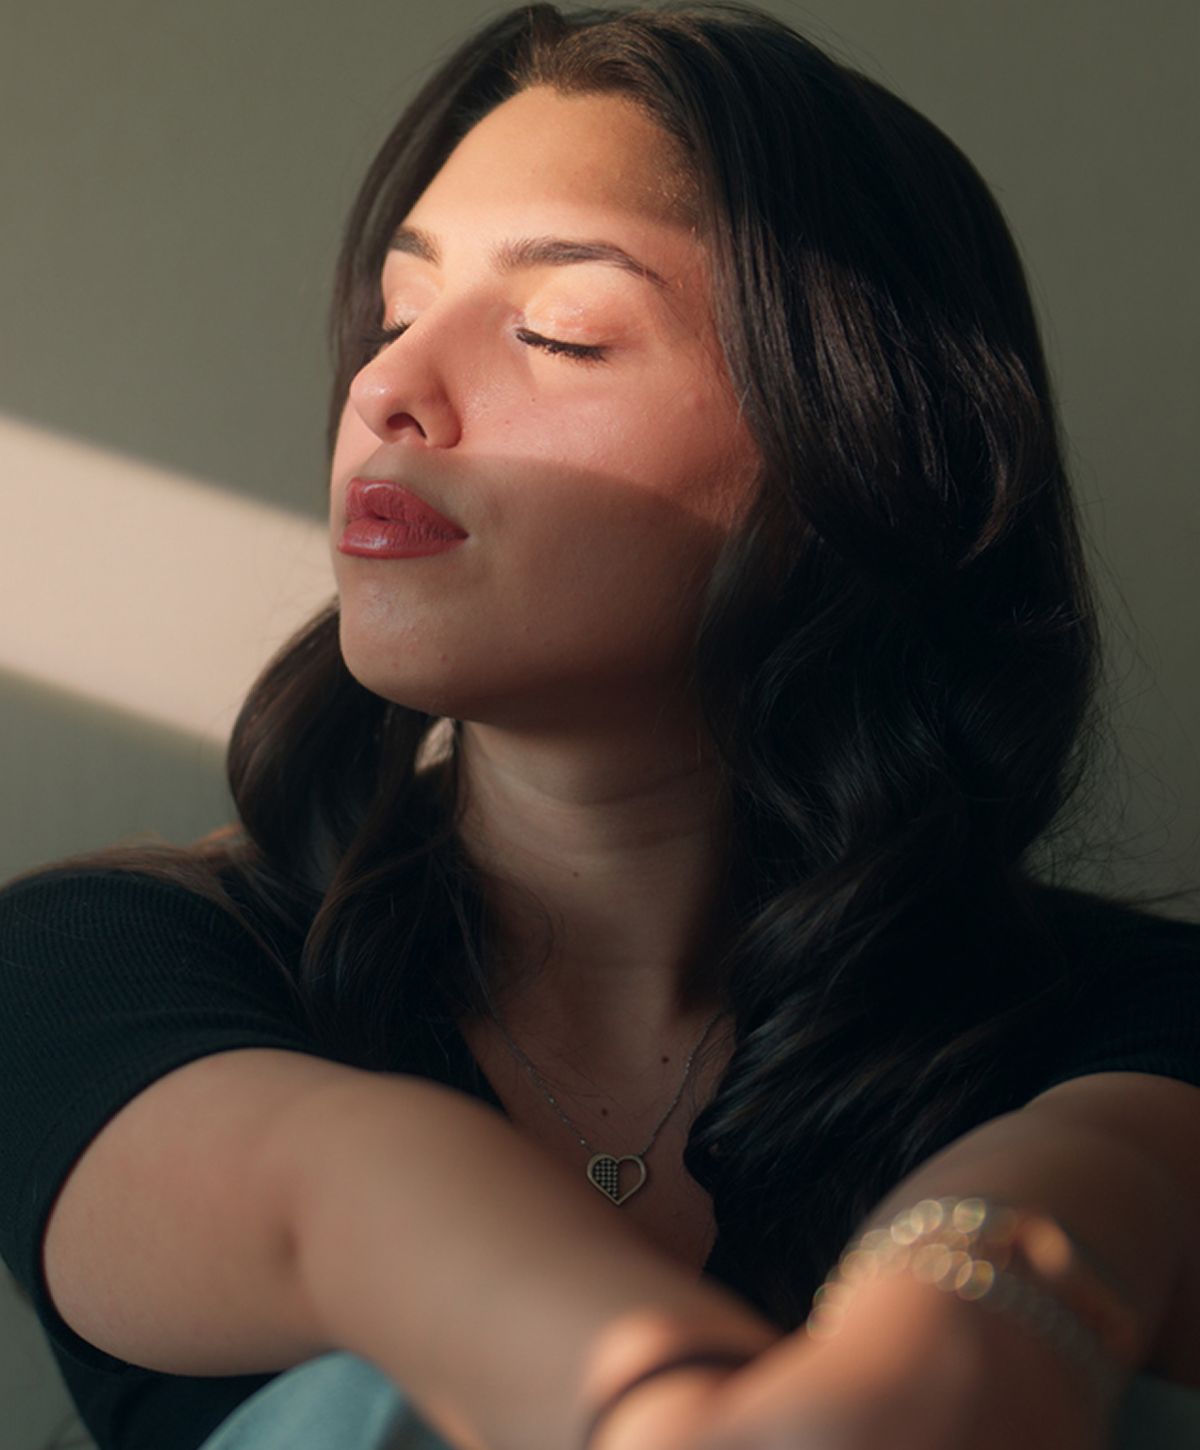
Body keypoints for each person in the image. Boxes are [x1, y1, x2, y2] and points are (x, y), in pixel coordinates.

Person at [1, 4, 1198, 1449]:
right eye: (393, 315)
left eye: (556, 330)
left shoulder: (1122, 1014)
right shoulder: (101, 967)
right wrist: (671, 1404)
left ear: (850, 453)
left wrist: (966, 1334)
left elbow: (1083, 1198)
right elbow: (337, 1204)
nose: (384, 388)